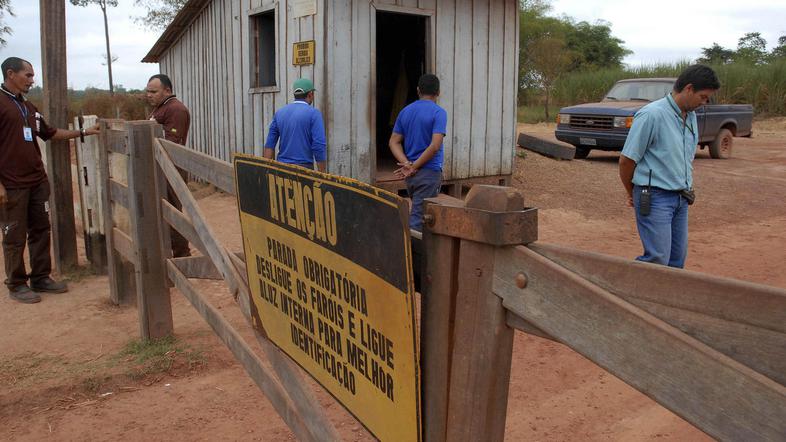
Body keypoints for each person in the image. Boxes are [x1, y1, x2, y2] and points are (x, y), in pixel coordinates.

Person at [0, 57, 100, 304]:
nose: (32, 80)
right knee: (14, 235)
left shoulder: (29, 107)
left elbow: (50, 133)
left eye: (32, 76)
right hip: (12, 185)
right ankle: (16, 284)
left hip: (36, 182)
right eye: (28, 75)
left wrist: (84, 132)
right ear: (10, 74)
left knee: (41, 230)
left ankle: (41, 277)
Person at [619, 64, 720, 268]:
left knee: (676, 260)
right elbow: (627, 160)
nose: (704, 102)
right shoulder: (652, 115)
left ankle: (661, 300)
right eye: (703, 96)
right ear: (688, 89)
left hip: (681, 197)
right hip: (654, 197)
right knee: (657, 258)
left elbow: (683, 158)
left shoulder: (690, 116)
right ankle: (626, 293)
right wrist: (632, 192)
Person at [388, 74, 447, 231]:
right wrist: (414, 166)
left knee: (419, 212)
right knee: (419, 220)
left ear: (418, 90)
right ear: (438, 92)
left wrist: (407, 164)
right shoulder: (439, 113)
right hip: (428, 173)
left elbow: (393, 142)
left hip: (411, 177)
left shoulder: (405, 111)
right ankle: (414, 254)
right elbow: (435, 146)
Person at [146, 73, 191, 257]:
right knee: (162, 212)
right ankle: (170, 254)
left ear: (167, 90)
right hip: (161, 167)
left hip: (171, 168)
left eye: (154, 91)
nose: (149, 95)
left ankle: (181, 255)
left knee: (172, 212)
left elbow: (172, 142)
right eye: (147, 91)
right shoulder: (161, 108)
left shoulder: (175, 110)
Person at [263, 78, 327, 172]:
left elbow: (269, 144)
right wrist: (322, 174)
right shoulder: (314, 114)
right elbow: (319, 145)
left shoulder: (280, 113)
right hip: (303, 169)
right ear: (310, 94)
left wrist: (265, 170)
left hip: (281, 168)